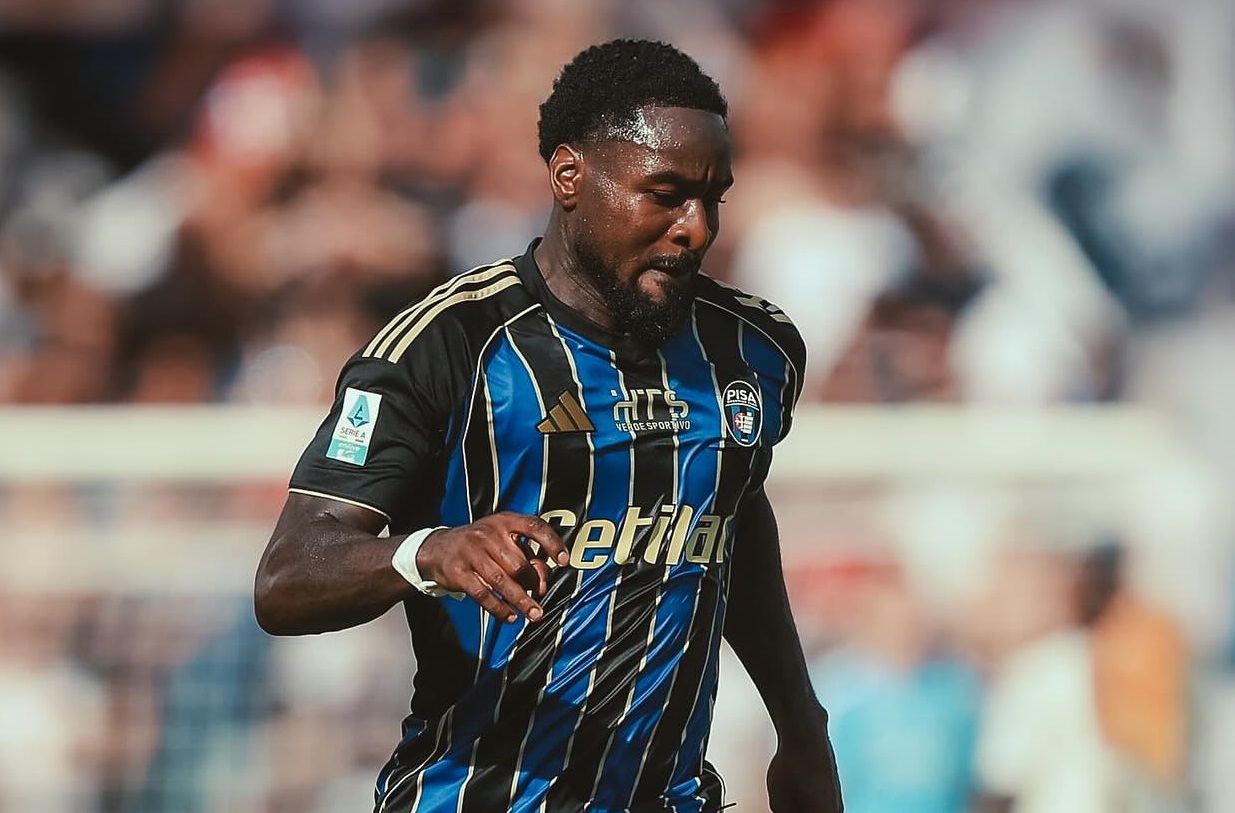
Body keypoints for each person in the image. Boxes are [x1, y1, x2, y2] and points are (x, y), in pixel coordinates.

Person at [254, 38, 843, 813]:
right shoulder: (446, 344)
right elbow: (286, 576)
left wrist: (799, 725)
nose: (695, 227)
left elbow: (730, 511)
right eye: (664, 194)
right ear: (569, 176)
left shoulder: (753, 349)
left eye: (713, 199)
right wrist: (427, 551)